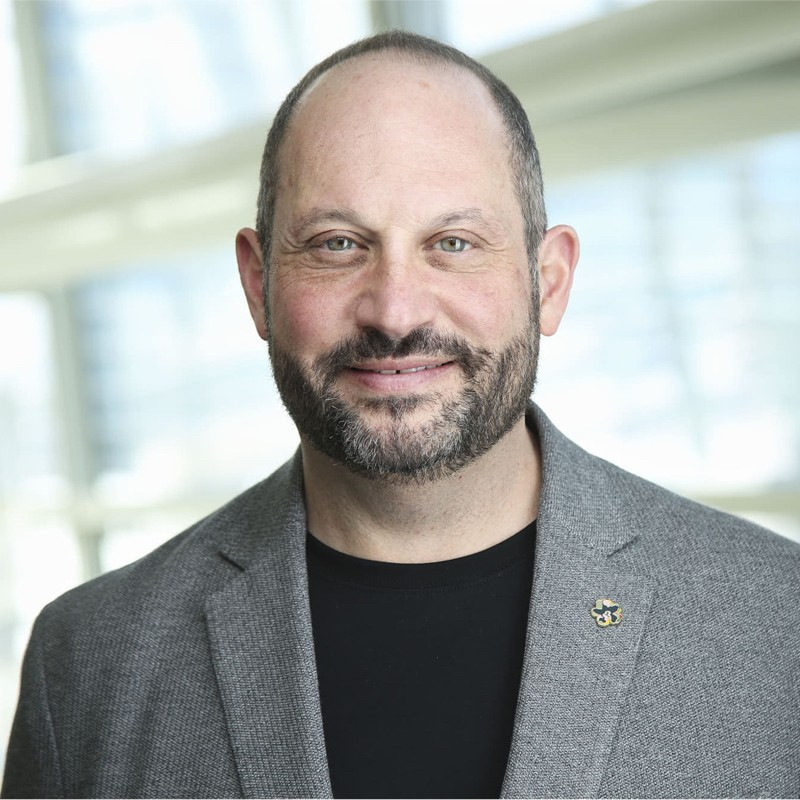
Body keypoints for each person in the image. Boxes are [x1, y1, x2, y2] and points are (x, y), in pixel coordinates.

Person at [3, 29, 799, 800]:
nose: (394, 311)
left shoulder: (775, 621)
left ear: (549, 282)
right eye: (337, 244)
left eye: (453, 243)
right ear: (258, 285)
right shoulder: (87, 665)